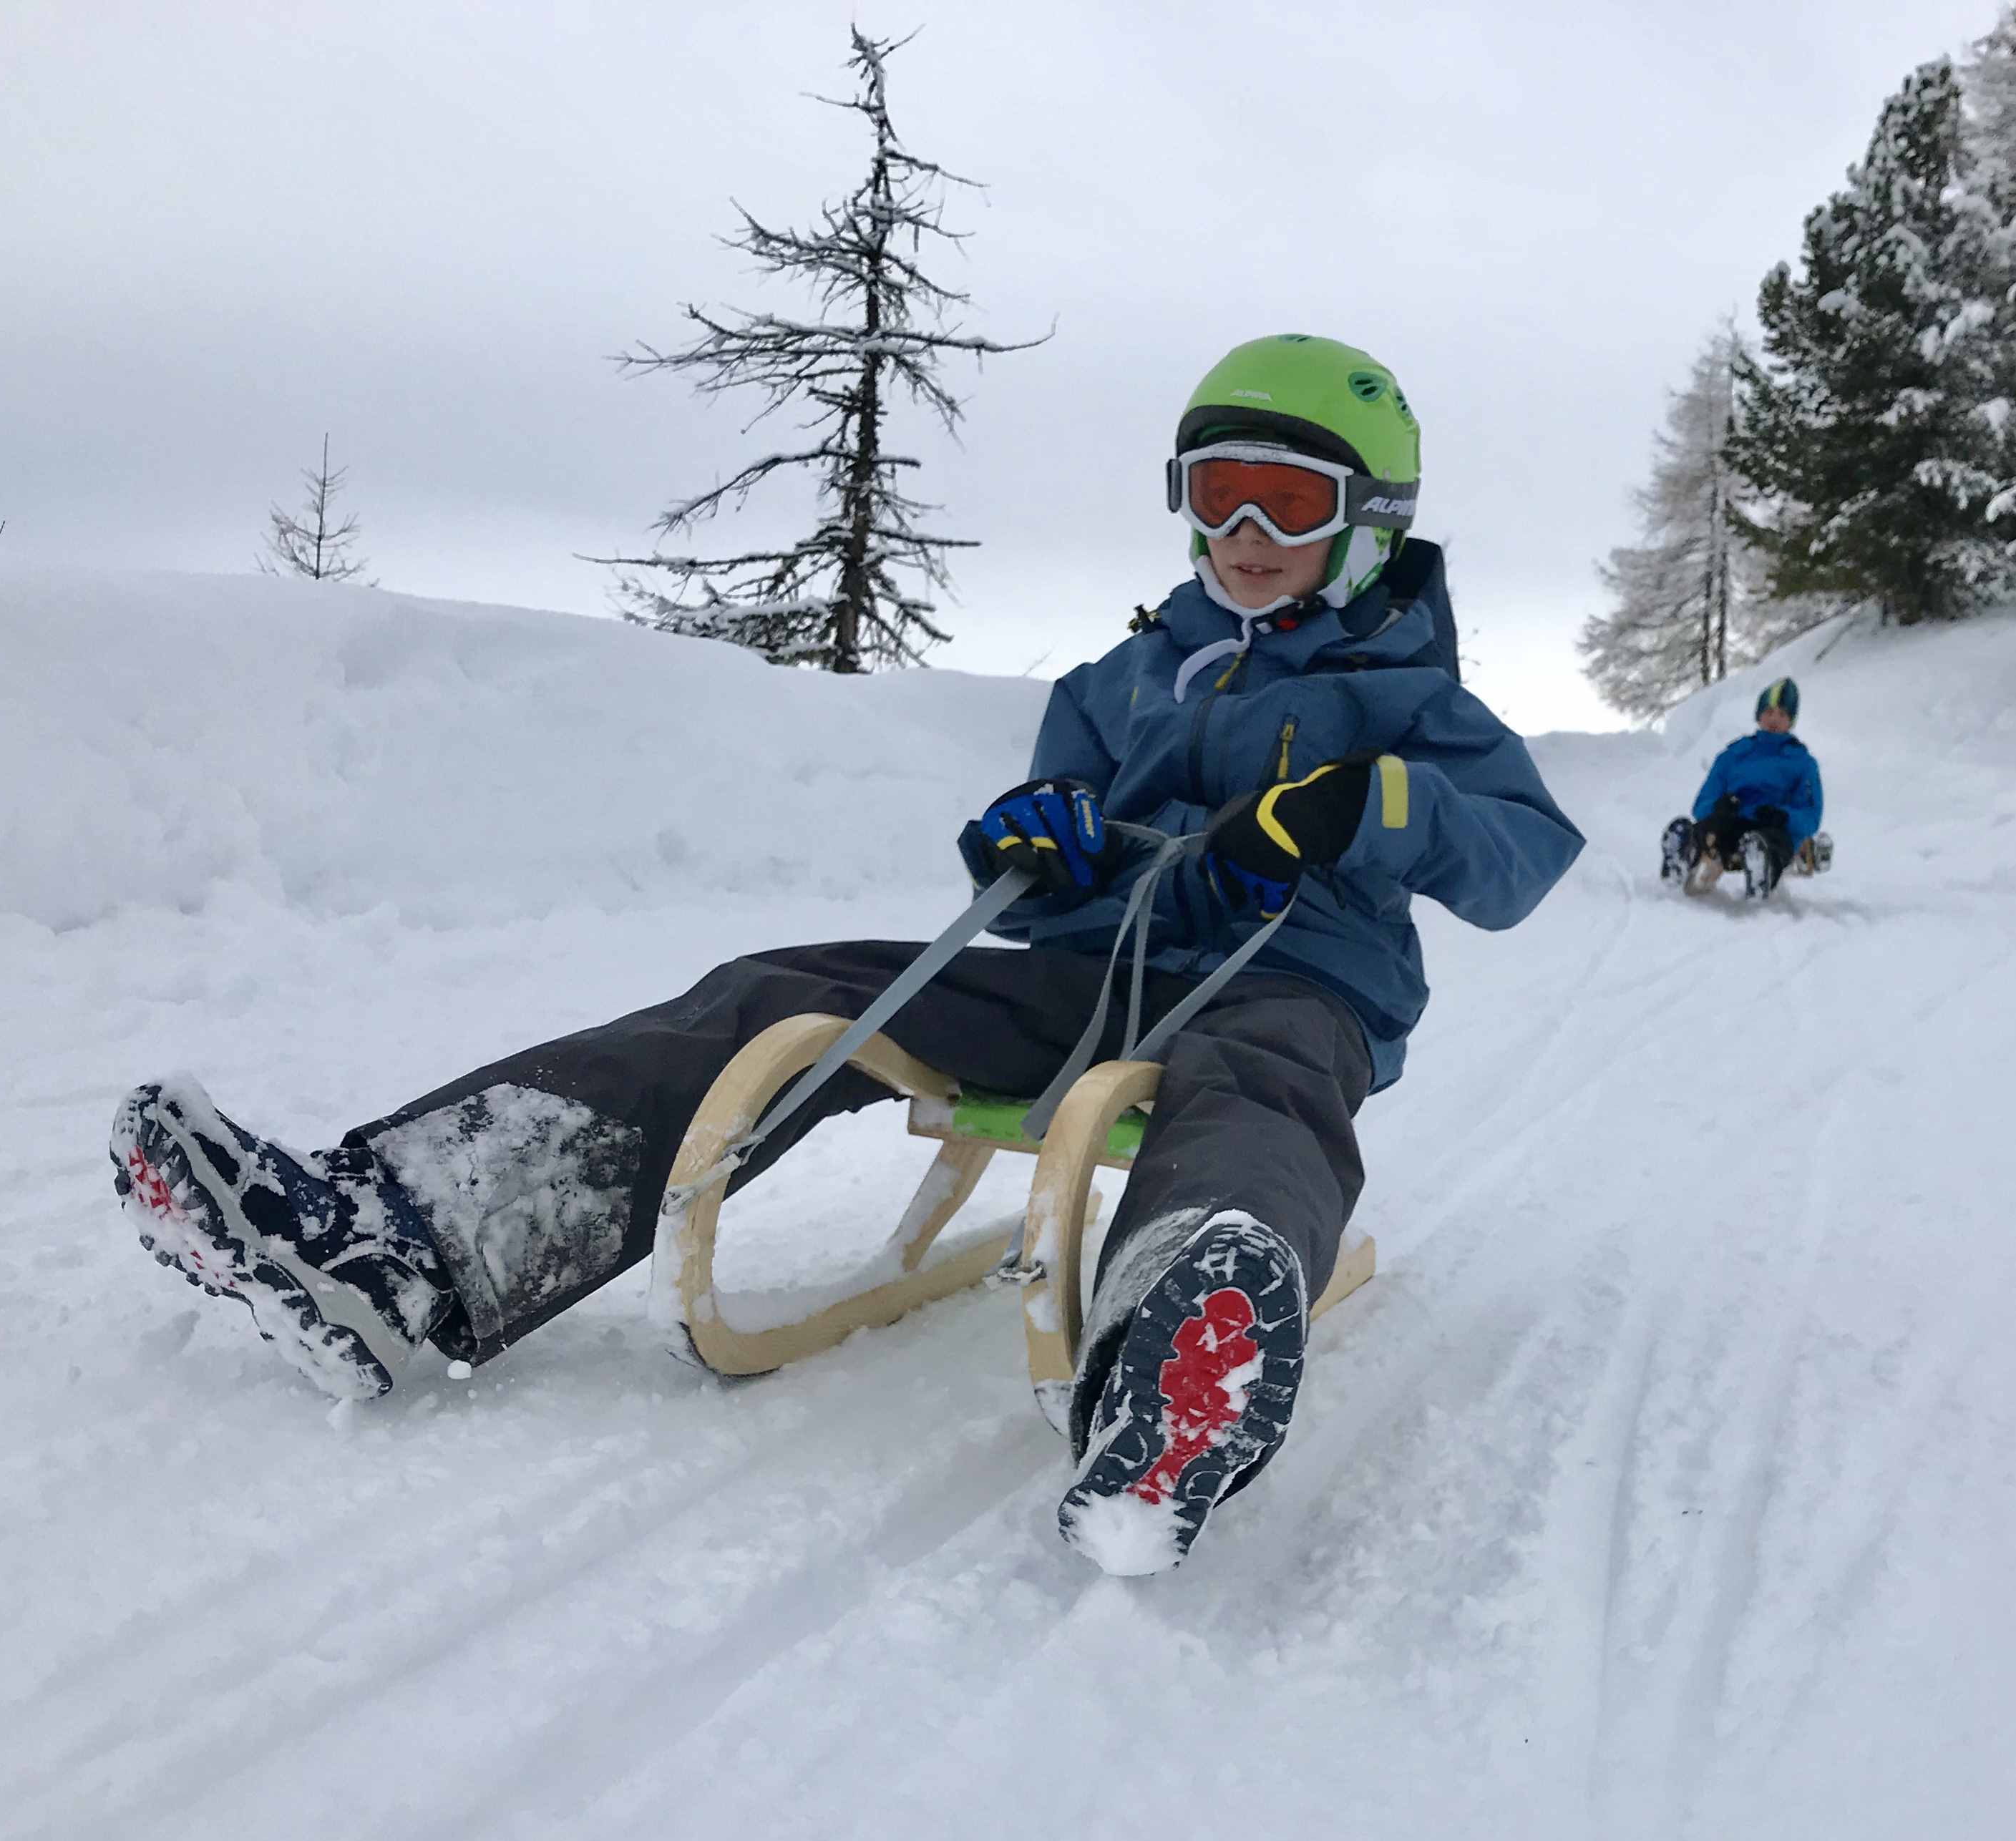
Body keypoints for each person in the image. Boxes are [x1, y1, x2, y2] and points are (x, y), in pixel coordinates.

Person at [108, 333, 1584, 1576]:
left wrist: (1372, 805)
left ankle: (1178, 1352)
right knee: (792, 997)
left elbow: (1519, 857)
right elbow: (1034, 886)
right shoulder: (1121, 681)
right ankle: (402, 1237)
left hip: (1287, 979)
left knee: (1263, 1091)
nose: (1246, 536)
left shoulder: (1409, 696)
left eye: (1288, 500)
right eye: (1218, 496)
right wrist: (1037, 844)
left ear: (1369, 519)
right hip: (1090, 982)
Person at [1660, 678, 1823, 899]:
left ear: (1791, 721)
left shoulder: (1801, 762)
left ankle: (1762, 868)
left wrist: (1784, 817)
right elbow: (1703, 801)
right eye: (1769, 712)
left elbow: (1811, 815)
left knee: (1768, 841)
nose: (1774, 719)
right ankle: (1685, 851)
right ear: (1759, 715)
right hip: (1733, 822)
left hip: (1772, 826)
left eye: (1783, 715)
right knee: (1710, 828)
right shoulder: (1735, 754)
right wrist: (1718, 807)